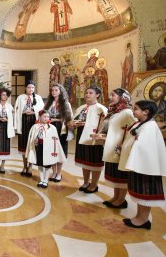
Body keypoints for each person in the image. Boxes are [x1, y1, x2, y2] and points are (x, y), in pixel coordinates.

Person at [118, 100, 166, 229]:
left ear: (146, 111)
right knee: (139, 192)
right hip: (139, 165)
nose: (133, 111)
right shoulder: (141, 123)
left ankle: (144, 219)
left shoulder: (150, 126)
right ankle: (139, 216)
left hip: (146, 167)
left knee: (146, 193)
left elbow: (143, 146)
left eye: (136, 109)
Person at [94, 88, 136, 208]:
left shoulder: (127, 112)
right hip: (111, 146)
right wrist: (102, 135)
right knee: (114, 174)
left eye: (113, 95)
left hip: (120, 148)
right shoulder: (115, 111)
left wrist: (124, 142)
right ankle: (116, 197)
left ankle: (121, 200)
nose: (110, 97)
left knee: (121, 174)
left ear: (122, 97)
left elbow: (135, 128)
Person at [68, 86, 108, 193]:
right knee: (84, 161)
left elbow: (104, 126)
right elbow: (73, 122)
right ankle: (85, 182)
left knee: (94, 162)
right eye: (86, 92)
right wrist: (72, 124)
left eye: (90, 93)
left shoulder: (101, 109)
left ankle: (94, 184)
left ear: (97, 95)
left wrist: (86, 124)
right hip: (81, 136)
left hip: (94, 138)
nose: (87, 95)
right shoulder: (81, 108)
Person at [26, 110, 67, 188]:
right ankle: (41, 179)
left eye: (48, 117)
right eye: (44, 116)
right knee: (40, 165)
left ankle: (45, 180)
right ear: (40, 117)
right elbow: (31, 139)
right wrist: (35, 141)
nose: (46, 118)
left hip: (48, 150)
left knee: (47, 165)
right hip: (38, 148)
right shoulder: (35, 127)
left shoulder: (52, 127)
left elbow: (55, 141)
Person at [14, 80, 44, 176]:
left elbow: (42, 110)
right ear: (25, 88)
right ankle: (24, 166)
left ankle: (30, 166)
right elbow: (16, 110)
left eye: (32, 88)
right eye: (29, 87)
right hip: (23, 123)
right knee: (23, 145)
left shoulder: (38, 98)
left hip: (33, 123)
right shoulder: (20, 97)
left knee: (31, 144)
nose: (30, 89)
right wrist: (22, 112)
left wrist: (33, 111)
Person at [44, 83, 73, 182]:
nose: (54, 92)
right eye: (52, 90)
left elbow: (69, 120)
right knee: (52, 151)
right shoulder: (48, 103)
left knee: (60, 151)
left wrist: (56, 120)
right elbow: (44, 116)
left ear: (61, 92)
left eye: (56, 90)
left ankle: (59, 173)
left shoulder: (65, 104)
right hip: (50, 129)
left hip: (61, 130)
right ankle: (54, 172)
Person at [0, 88, 15, 174]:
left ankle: (3, 166)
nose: (5, 96)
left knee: (5, 146)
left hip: (6, 127)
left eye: (6, 95)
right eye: (3, 94)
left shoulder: (9, 106)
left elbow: (13, 117)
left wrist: (7, 119)